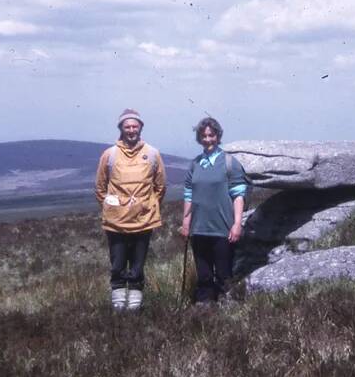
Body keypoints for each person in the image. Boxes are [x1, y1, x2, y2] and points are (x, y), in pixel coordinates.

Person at [94, 108, 167, 309]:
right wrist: (112, 208)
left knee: (137, 266)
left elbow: (160, 186)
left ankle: (134, 308)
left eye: (135, 126)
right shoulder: (109, 154)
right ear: (121, 128)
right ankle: (118, 307)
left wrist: (147, 206)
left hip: (143, 222)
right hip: (116, 223)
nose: (131, 130)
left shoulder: (152, 154)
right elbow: (100, 188)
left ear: (141, 127)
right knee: (117, 265)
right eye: (127, 126)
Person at [179, 116, 248, 304]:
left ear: (218, 136)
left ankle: (228, 310)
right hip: (198, 229)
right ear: (199, 138)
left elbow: (239, 195)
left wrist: (236, 224)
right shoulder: (195, 164)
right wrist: (186, 222)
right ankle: (204, 311)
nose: (207, 139)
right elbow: (188, 195)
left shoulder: (229, 163)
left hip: (222, 229)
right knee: (204, 275)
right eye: (203, 135)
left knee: (224, 273)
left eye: (211, 135)